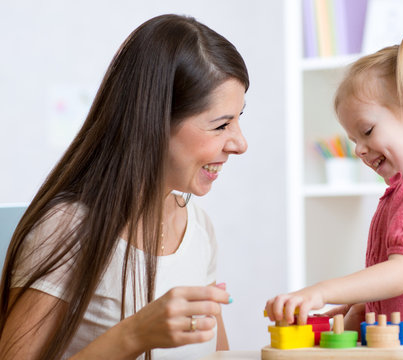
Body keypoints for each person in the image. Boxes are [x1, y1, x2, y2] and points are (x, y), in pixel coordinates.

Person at [0, 14, 249, 360]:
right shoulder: (68, 229)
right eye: (221, 125)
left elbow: (218, 354)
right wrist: (133, 335)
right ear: (155, 122)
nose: (240, 143)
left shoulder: (198, 226)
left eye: (239, 119)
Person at [265, 31, 403, 349]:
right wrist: (358, 310)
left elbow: (402, 273)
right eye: (354, 141)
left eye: (367, 131)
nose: (359, 150)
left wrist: (321, 291)